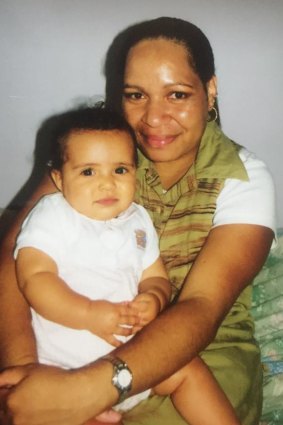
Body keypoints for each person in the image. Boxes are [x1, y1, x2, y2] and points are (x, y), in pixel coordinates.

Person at [0, 16, 276, 425]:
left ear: (210, 90)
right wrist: (33, 376)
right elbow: (12, 255)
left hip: (200, 351)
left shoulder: (244, 177)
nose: (153, 118)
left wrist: (89, 389)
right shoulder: (95, 157)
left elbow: (200, 307)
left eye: (177, 95)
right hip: (68, 331)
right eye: (135, 95)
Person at [12, 104, 240, 425]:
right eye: (88, 171)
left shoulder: (138, 219)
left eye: (120, 170)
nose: (107, 183)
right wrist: (88, 313)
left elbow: (155, 277)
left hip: (133, 361)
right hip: (62, 370)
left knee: (189, 371)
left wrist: (154, 298)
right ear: (59, 179)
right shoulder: (53, 214)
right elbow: (34, 278)